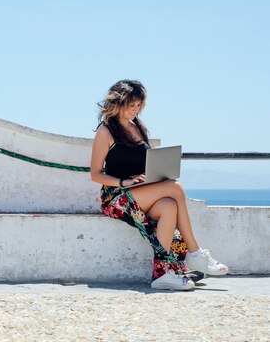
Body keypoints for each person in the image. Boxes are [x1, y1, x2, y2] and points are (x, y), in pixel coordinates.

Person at [90, 79, 228, 291]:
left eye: (139, 106)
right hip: (116, 197)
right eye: (131, 105)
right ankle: (195, 253)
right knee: (176, 187)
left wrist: (151, 175)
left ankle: (163, 274)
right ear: (118, 103)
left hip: (139, 191)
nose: (135, 110)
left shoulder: (138, 127)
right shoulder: (106, 131)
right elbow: (96, 174)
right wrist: (123, 181)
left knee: (169, 206)